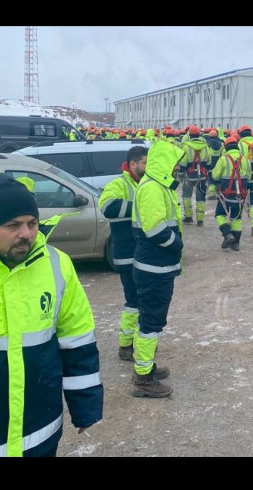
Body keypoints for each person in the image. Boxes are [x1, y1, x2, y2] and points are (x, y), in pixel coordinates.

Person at [0, 176, 103, 456]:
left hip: (38, 430)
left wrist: (85, 406)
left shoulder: (56, 264)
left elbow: (77, 339)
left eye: (32, 223)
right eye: (12, 225)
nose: (26, 233)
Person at [130, 140, 185, 398]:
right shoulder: (153, 188)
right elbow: (155, 229)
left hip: (157, 267)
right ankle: (143, 378)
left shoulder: (158, 185)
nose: (176, 170)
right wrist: (176, 244)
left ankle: (146, 367)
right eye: (174, 165)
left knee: (151, 321)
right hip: (154, 268)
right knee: (150, 323)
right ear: (164, 163)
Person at [99, 145, 148, 361]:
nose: (148, 166)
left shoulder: (146, 183)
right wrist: (140, 207)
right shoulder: (118, 184)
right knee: (134, 301)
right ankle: (126, 346)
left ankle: (133, 343)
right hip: (127, 254)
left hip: (143, 254)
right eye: (145, 162)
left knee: (141, 300)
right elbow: (107, 206)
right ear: (133, 164)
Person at [213, 136, 251, 250]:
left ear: (226, 147)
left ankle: (227, 234)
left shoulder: (223, 159)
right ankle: (236, 244)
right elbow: (248, 176)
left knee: (219, 214)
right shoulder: (245, 159)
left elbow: (215, 175)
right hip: (240, 194)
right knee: (237, 217)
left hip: (226, 194)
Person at [178, 126, 210, 226]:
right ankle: (200, 220)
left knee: (186, 195)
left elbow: (183, 164)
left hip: (189, 175)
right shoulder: (205, 146)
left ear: (189, 135)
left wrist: (180, 175)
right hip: (202, 176)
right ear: (199, 134)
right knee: (201, 197)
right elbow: (209, 163)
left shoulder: (185, 146)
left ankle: (188, 217)